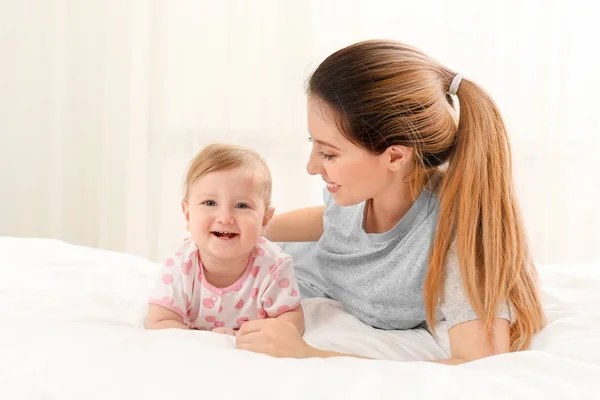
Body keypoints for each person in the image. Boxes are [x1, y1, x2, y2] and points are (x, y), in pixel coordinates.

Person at [234, 39, 546, 364]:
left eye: (328, 153)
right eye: (314, 144)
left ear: (395, 156)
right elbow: (330, 220)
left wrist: (308, 355)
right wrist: (254, 228)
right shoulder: (356, 190)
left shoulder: (455, 233)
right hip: (288, 278)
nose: (312, 167)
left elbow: (477, 361)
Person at [144, 143, 304, 335]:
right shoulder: (180, 264)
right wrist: (207, 340)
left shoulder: (273, 266)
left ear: (264, 220)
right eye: (210, 203)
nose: (225, 217)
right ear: (187, 215)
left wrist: (250, 335)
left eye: (242, 205)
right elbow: (159, 320)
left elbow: (291, 320)